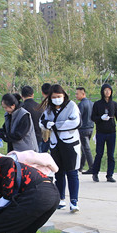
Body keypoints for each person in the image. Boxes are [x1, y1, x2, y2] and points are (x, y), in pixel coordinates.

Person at [40, 84, 81, 212]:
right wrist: (46, 124)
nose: (57, 99)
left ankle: (74, 201)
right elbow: (42, 121)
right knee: (59, 172)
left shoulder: (72, 106)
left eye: (59, 96)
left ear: (64, 95)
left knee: (72, 173)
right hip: (55, 144)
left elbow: (75, 122)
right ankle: (61, 198)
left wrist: (55, 125)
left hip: (70, 143)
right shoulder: (48, 109)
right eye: (54, 97)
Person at [90, 82, 117, 183]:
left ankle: (110, 175)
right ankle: (95, 173)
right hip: (101, 132)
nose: (107, 92)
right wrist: (100, 118)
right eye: (105, 90)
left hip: (111, 132)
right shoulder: (97, 104)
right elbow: (93, 117)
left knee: (111, 154)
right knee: (99, 153)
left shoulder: (114, 104)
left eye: (109, 90)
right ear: (102, 91)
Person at [75, 87, 94, 174]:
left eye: (77, 94)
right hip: (91, 127)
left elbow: (78, 117)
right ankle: (81, 166)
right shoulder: (91, 103)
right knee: (84, 148)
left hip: (83, 129)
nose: (76, 96)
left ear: (83, 94)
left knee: (86, 148)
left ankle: (92, 166)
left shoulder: (81, 105)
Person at [20, 85, 43, 155]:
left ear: (21, 96)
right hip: (39, 136)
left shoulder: (21, 108)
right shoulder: (40, 107)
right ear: (33, 95)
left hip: (25, 139)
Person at [38, 83, 53, 153]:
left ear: (42, 93)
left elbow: (45, 119)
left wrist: (45, 136)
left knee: (43, 153)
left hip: (48, 134)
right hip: (55, 133)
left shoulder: (46, 104)